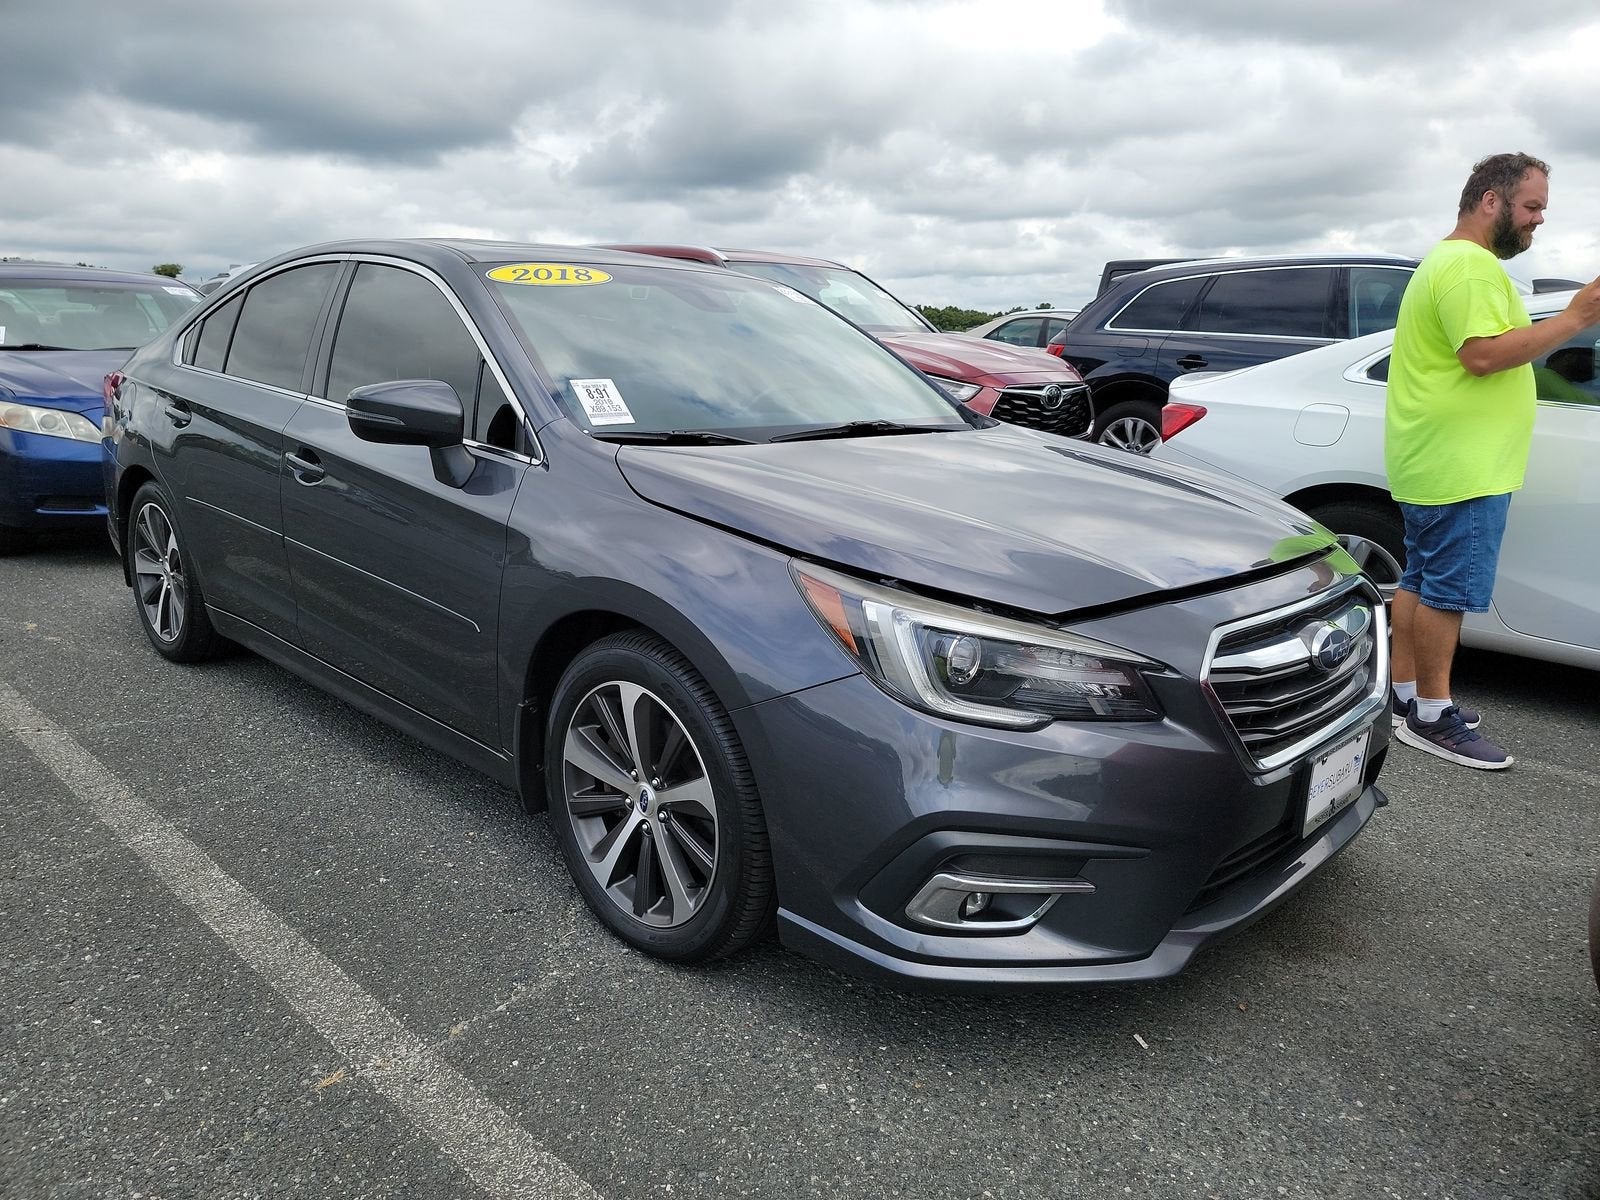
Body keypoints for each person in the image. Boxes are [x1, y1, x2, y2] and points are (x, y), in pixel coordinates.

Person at [1386, 152, 1600, 769]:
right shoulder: (1471, 268)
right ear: (1491, 201)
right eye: (1531, 207)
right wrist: (1575, 318)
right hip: (1463, 467)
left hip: (1437, 459)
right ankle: (1431, 713)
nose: (1537, 221)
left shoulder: (1447, 260)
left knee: (1420, 580)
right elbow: (1482, 355)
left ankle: (1404, 695)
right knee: (1447, 591)